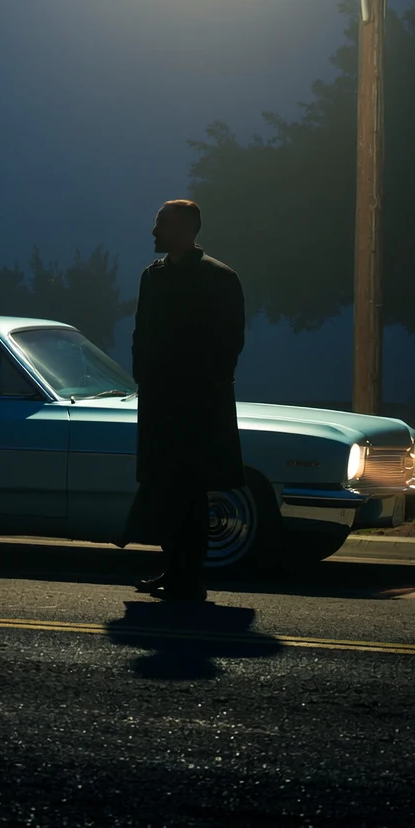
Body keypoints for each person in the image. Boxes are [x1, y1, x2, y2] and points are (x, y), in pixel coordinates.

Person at [123, 198, 246, 603]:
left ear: (186, 230)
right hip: (159, 402)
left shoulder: (218, 277)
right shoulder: (152, 276)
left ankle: (189, 577)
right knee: (164, 489)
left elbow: (230, 341)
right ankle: (173, 569)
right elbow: (141, 333)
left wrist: (205, 386)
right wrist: (144, 376)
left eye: (163, 224)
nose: (155, 231)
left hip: (197, 406)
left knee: (191, 491)